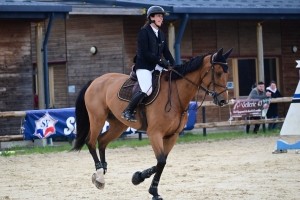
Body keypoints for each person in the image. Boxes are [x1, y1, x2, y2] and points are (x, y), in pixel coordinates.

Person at [121, 5, 175, 122]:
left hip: (156, 65)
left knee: (170, 79)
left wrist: (175, 65)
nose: (161, 18)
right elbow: (145, 53)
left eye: (162, 16)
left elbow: (166, 52)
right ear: (151, 17)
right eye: (159, 16)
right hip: (144, 66)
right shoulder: (144, 32)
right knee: (147, 89)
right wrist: (161, 61)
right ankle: (128, 110)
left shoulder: (161, 34)